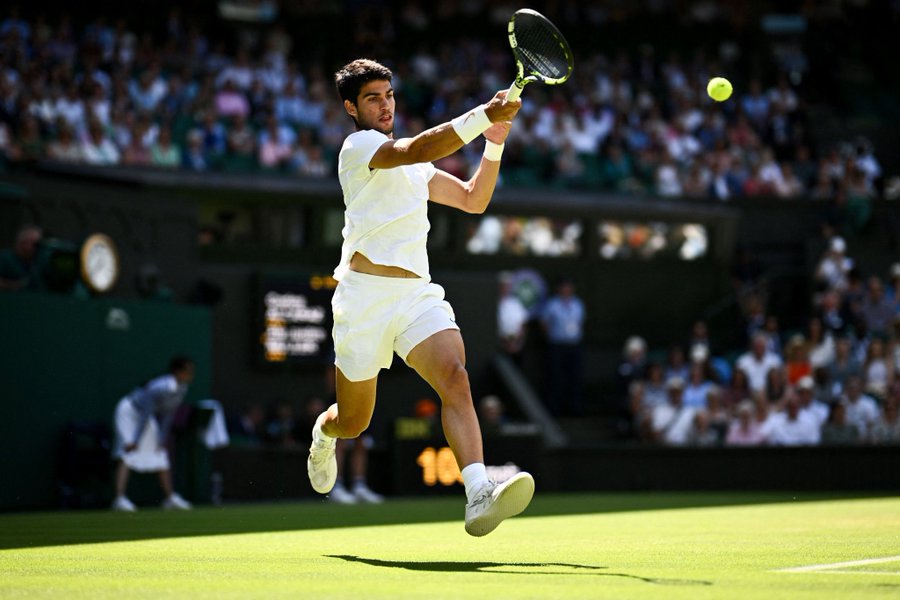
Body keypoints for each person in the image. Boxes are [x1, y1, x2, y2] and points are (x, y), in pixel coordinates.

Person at [306, 59, 531, 537]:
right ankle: (323, 435)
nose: (385, 105)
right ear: (351, 107)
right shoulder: (358, 148)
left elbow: (473, 199)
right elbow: (418, 146)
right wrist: (482, 116)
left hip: (415, 294)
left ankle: (477, 494)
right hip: (363, 297)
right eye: (372, 98)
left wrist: (494, 145)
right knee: (353, 422)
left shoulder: (416, 168)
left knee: (455, 376)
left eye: (388, 95)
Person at [111, 356, 195, 511]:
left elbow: (169, 415)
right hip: (129, 412)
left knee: (160, 453)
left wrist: (162, 437)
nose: (191, 374)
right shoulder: (160, 387)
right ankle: (119, 499)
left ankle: (170, 498)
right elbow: (146, 412)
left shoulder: (182, 388)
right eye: (187, 371)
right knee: (127, 452)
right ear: (177, 372)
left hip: (145, 417)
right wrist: (135, 439)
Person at [541, 278, 587, 416]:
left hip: (574, 346)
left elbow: (581, 322)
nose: (567, 290)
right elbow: (544, 323)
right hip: (557, 346)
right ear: (559, 289)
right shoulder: (552, 305)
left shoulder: (578, 304)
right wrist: (553, 335)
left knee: (575, 378)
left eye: (569, 287)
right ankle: (555, 409)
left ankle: (575, 409)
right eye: (564, 288)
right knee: (556, 378)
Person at [0, 225, 44, 291]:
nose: (37, 249)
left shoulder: (38, 262)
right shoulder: (5, 258)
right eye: (35, 245)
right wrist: (17, 285)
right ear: (22, 243)